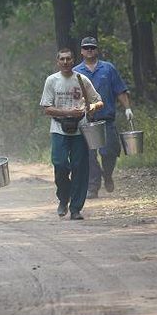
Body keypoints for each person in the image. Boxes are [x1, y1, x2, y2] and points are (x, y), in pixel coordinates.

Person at [40, 48, 103, 220]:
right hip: (59, 129)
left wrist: (88, 108)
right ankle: (63, 197)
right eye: (62, 59)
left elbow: (98, 101)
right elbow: (46, 108)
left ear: (73, 60)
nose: (66, 62)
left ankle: (76, 208)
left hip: (80, 130)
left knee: (80, 168)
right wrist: (67, 112)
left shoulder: (82, 79)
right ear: (57, 61)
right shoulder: (52, 81)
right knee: (60, 164)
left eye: (68, 59)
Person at [73, 36, 133, 199]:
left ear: (97, 50)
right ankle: (93, 186)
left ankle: (107, 174)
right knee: (89, 154)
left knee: (110, 151)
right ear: (82, 51)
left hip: (106, 118)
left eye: (92, 47)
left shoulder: (108, 69)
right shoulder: (76, 72)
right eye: (86, 48)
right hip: (86, 120)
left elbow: (120, 90)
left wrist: (127, 108)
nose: (90, 50)